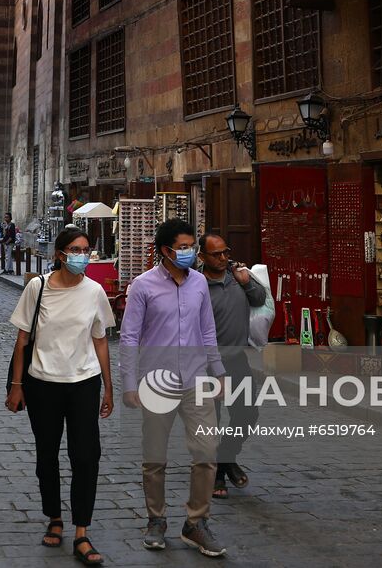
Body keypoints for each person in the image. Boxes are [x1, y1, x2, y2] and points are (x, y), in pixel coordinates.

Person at [6, 228, 116, 566]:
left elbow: (100, 340)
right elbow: (23, 340)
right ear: (59, 254)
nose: (81, 255)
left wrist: (108, 387)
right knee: (47, 455)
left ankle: (82, 531)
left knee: (86, 456)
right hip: (42, 383)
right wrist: (16, 385)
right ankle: (54, 517)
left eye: (85, 249)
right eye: (74, 249)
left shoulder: (95, 291)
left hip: (84, 382)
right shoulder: (37, 288)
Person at [119, 218, 226, 558]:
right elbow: (130, 336)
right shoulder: (143, 286)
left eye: (191, 246)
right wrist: (129, 383)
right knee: (155, 457)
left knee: (207, 454)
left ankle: (196, 522)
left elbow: (207, 330)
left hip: (196, 379)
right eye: (183, 247)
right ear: (165, 251)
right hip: (156, 383)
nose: (190, 253)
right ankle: (156, 519)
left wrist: (219, 371)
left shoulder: (198, 284)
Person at [198, 232, 265, 500]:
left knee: (248, 414)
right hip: (206, 365)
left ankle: (225, 458)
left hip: (237, 359)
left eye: (226, 252)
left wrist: (246, 283)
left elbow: (260, 299)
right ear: (202, 257)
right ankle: (217, 474)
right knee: (210, 423)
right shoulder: (196, 285)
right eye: (217, 254)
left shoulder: (238, 274)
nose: (224, 258)